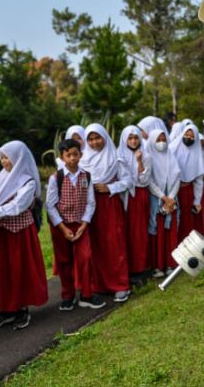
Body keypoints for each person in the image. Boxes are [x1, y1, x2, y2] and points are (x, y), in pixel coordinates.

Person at [0, 141, 48, 331]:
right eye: (2, 157)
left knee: (21, 269)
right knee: (5, 271)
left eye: (8, 157)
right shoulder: (0, 178)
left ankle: (21, 308)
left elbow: (17, 206)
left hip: (22, 233)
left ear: (19, 158)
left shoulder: (27, 180)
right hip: (4, 233)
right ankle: (7, 309)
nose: (5, 161)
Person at [46, 139, 104, 311]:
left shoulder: (86, 176)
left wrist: (84, 224)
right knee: (64, 261)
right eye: (68, 155)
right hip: (61, 226)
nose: (72, 158)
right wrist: (63, 228)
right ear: (62, 157)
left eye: (75, 154)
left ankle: (86, 295)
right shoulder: (56, 178)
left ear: (81, 155)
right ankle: (68, 296)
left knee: (85, 258)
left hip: (80, 225)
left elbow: (91, 202)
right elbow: (50, 205)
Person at [80, 123, 132, 303]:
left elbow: (127, 181)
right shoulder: (82, 160)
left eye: (98, 138)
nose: (94, 142)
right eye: (91, 139)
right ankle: (99, 284)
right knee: (95, 244)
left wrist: (110, 187)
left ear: (105, 137)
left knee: (114, 243)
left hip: (109, 204)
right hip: (89, 206)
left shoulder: (115, 157)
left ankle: (120, 285)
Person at [118, 125, 152, 280]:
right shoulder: (119, 155)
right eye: (130, 138)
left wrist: (139, 161)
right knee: (125, 232)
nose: (133, 141)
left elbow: (144, 180)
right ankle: (127, 267)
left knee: (138, 233)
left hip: (139, 196)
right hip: (123, 197)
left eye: (136, 138)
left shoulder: (145, 155)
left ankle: (139, 267)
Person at [146, 129, 181, 277]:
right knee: (158, 233)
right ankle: (158, 266)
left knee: (170, 232)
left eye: (163, 139)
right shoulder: (149, 158)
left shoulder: (171, 156)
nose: (161, 142)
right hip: (157, 200)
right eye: (158, 139)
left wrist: (171, 198)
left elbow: (177, 177)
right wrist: (163, 198)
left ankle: (170, 264)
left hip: (171, 200)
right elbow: (149, 181)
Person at [170, 123, 204, 240]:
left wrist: (197, 200)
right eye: (186, 135)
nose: (188, 138)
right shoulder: (172, 149)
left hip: (187, 192)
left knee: (187, 220)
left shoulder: (196, 154)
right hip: (171, 192)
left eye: (192, 137)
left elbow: (198, 180)